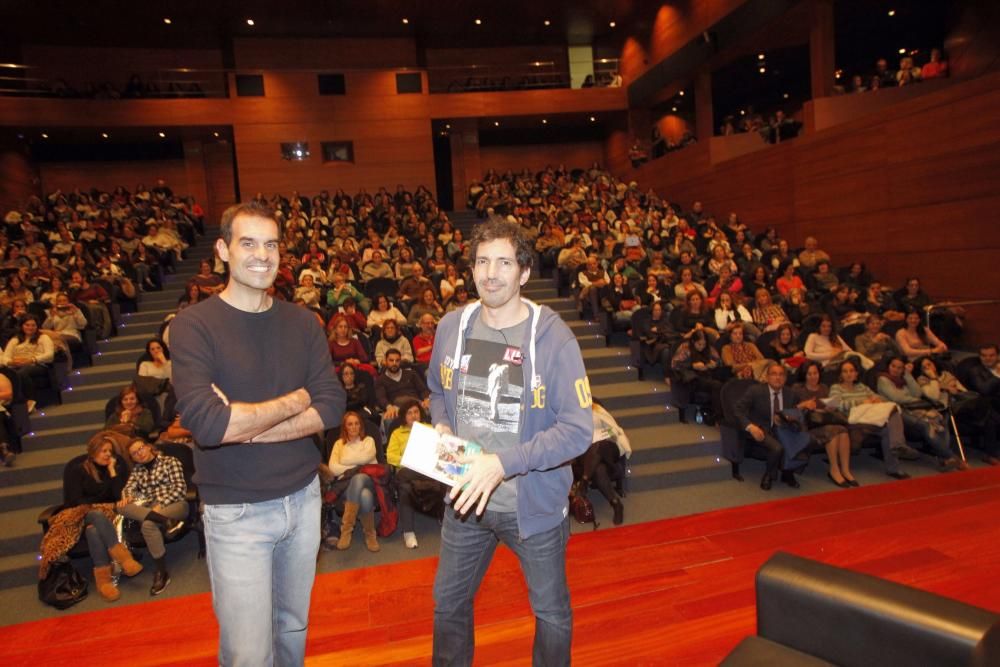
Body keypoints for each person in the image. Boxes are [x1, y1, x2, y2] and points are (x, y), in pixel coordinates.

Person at [171, 201, 345, 666]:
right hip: (236, 513)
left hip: (304, 500)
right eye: (248, 243)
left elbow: (332, 403)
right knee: (248, 652)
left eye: (271, 244)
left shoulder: (303, 322)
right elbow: (209, 425)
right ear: (224, 250)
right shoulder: (192, 326)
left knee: (292, 630)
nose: (262, 255)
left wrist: (248, 426)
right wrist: (297, 399)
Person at [427, 218, 592, 665]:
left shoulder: (552, 336)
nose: (490, 273)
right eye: (482, 261)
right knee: (448, 605)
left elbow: (578, 429)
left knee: (551, 612)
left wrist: (503, 463)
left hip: (531, 508)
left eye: (503, 262)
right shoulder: (452, 327)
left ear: (523, 272)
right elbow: (437, 392)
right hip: (465, 501)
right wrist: (442, 425)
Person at [60, 432, 143, 601]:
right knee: (95, 514)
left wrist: (112, 472)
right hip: (80, 515)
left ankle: (104, 582)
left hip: (105, 516)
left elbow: (119, 496)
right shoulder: (77, 470)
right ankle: (124, 558)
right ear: (93, 452)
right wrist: (99, 502)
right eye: (104, 451)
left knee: (93, 532)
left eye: (110, 452)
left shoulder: (113, 467)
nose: (107, 455)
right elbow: (76, 501)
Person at [117, 438, 188, 595]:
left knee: (147, 524)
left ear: (149, 447)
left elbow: (180, 489)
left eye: (141, 448)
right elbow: (128, 489)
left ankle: (161, 572)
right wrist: (128, 496)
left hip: (175, 505)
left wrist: (160, 505)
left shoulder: (170, 461)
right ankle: (168, 522)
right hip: (151, 510)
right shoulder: (137, 470)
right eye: (134, 453)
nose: (139, 454)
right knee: (121, 506)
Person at [827, 359, 911, 480]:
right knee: (890, 424)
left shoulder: (862, 387)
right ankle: (898, 445)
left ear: (856, 373)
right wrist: (861, 402)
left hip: (870, 419)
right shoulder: (836, 388)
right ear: (840, 374)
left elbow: (876, 396)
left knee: (892, 416)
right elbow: (836, 405)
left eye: (852, 371)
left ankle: (894, 465)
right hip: (853, 421)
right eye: (845, 371)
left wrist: (877, 399)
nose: (849, 374)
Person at [877, 356, 965, 470]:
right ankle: (952, 457)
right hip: (897, 412)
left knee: (940, 421)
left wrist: (908, 375)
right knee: (926, 426)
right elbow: (897, 397)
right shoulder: (883, 379)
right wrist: (915, 400)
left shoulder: (904, 379)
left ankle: (945, 459)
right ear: (888, 366)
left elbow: (917, 393)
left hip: (914, 409)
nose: (896, 370)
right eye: (893, 366)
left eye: (900, 368)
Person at [733, 362, 801, 490]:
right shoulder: (756, 390)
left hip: (782, 430)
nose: (778, 377)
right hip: (761, 429)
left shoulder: (790, 394)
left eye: (781, 375)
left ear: (785, 378)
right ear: (767, 377)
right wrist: (750, 427)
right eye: (774, 374)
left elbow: (793, 414)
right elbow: (738, 410)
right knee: (777, 448)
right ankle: (769, 475)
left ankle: (788, 473)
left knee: (803, 439)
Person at [319, 411, 379, 552]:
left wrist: (345, 462)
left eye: (356, 423)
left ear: (361, 425)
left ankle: (346, 530)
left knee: (359, 478)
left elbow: (366, 459)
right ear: (345, 427)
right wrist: (358, 467)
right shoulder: (339, 444)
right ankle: (370, 535)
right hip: (345, 487)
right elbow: (333, 468)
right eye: (350, 424)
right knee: (365, 496)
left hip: (369, 482)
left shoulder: (368, 441)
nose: (353, 427)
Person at [792, 361, 856, 487]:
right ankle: (834, 470)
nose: (813, 377)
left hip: (823, 421)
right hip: (807, 425)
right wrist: (803, 405)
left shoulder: (824, 388)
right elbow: (790, 409)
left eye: (815, 373)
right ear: (804, 375)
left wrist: (828, 409)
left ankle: (845, 469)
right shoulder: (797, 389)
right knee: (833, 432)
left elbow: (826, 408)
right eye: (809, 374)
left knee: (842, 430)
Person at [573, 401, 632, 525]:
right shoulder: (569, 412)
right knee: (599, 469)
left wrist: (608, 435)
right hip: (585, 450)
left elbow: (613, 427)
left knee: (600, 445)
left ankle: (584, 482)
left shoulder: (597, 408)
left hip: (607, 446)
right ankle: (616, 504)